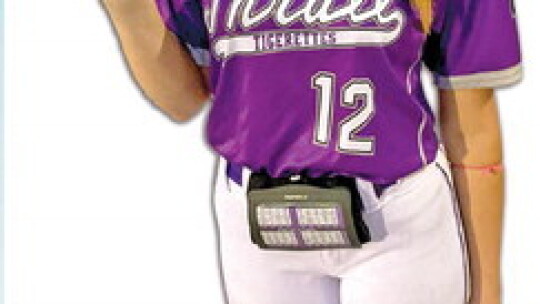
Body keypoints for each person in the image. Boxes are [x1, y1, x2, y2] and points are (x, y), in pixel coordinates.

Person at [101, 0, 522, 303]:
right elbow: (186, 100)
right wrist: (129, 9)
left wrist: (487, 289)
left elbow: (474, 133)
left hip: (399, 219)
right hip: (258, 221)